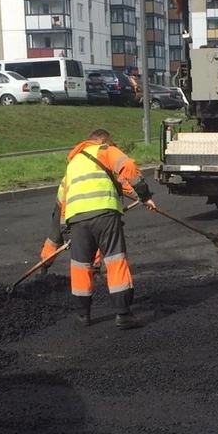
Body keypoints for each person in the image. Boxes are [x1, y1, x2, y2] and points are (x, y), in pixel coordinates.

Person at [44, 128, 156, 329]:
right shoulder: (104, 149)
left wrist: (61, 235)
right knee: (115, 260)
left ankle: (83, 316)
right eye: (112, 143)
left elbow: (61, 200)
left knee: (80, 266)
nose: (113, 146)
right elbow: (128, 167)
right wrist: (145, 194)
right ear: (103, 140)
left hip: (77, 219)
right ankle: (123, 315)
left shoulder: (74, 164)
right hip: (104, 214)